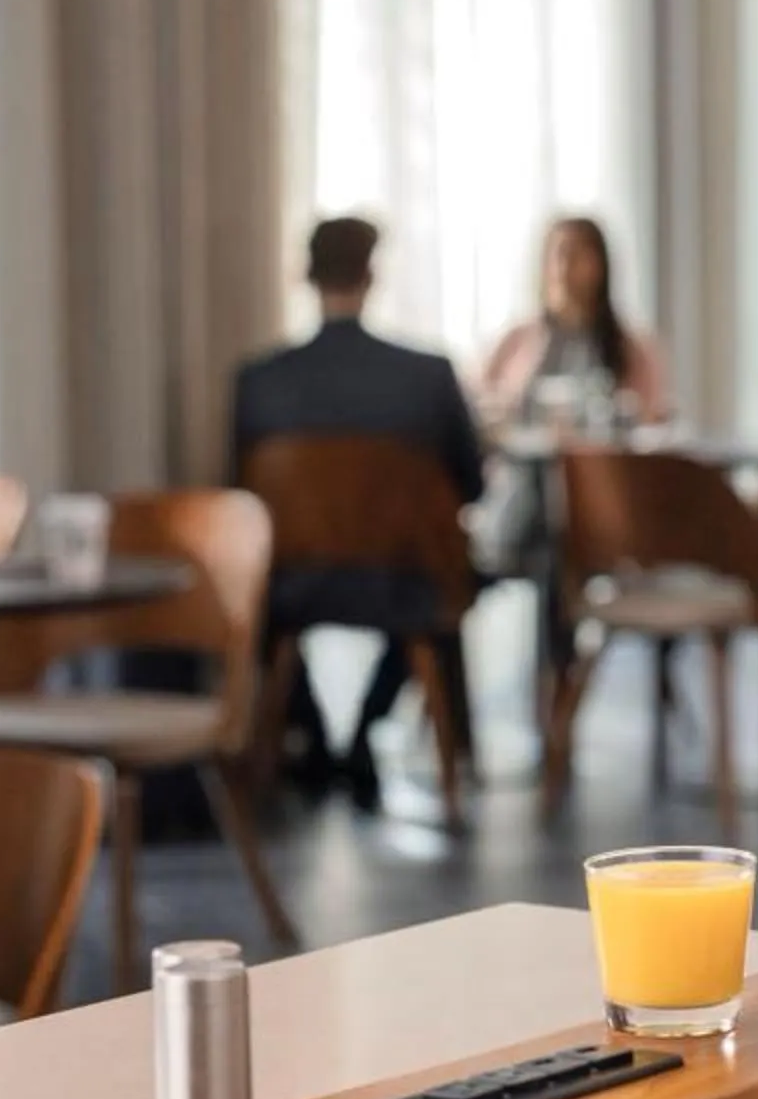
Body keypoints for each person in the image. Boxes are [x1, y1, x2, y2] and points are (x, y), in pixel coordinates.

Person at [232, 218, 486, 806]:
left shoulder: (258, 383)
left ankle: (317, 743)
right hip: (405, 584)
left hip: (292, 587)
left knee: (264, 616)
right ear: (372, 275)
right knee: (443, 596)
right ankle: (365, 733)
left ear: (306, 274)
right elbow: (469, 486)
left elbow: (241, 506)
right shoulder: (426, 377)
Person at [477, 217, 675, 427]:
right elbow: (479, 404)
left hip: (604, 457)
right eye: (558, 255)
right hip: (525, 457)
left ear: (600, 265)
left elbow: (654, 417)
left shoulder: (633, 349)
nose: (566, 267)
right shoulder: (514, 342)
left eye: (577, 255)